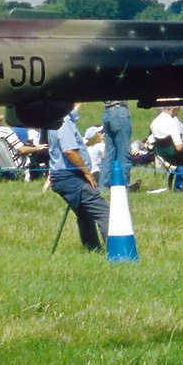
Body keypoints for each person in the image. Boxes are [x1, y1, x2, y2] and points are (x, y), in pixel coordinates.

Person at [47, 106, 108, 252]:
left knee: (84, 213)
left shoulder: (60, 117)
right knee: (104, 212)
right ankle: (119, 251)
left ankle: (92, 249)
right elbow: (69, 151)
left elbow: (76, 108)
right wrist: (87, 172)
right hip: (70, 177)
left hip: (66, 175)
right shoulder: (62, 122)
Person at [101, 101, 132, 190]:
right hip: (119, 111)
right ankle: (122, 187)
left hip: (107, 111)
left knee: (109, 154)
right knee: (124, 153)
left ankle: (104, 187)